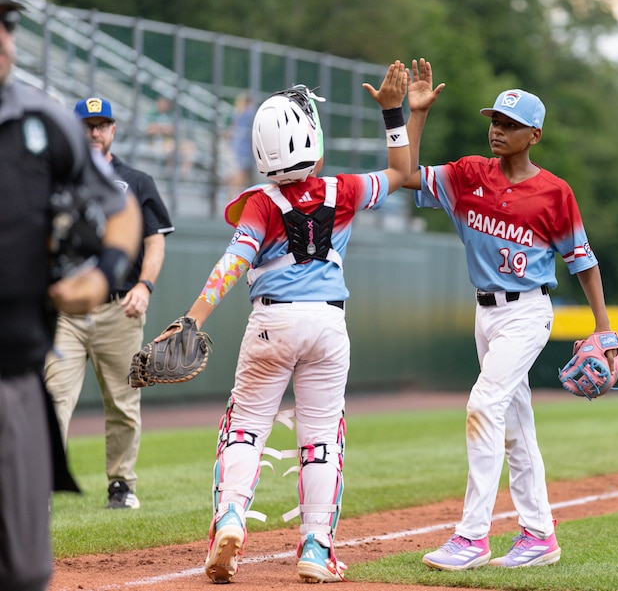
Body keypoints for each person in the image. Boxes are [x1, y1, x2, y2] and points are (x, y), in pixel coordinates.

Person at [154, 62, 409, 584]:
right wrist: (393, 112)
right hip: (328, 325)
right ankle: (316, 546)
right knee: (320, 438)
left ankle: (230, 518)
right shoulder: (345, 190)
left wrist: (191, 319)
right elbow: (404, 172)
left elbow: (232, 265)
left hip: (272, 323)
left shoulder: (259, 204)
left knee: (245, 427)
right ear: (311, 135)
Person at [404, 59, 617, 570]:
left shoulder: (555, 193)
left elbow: (584, 264)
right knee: (516, 427)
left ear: (534, 135)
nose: (497, 130)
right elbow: (406, 173)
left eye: (510, 124)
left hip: (527, 313)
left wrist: (604, 328)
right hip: (486, 316)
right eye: (495, 120)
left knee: (482, 406)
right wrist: (414, 116)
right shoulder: (467, 174)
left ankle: (472, 537)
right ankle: (540, 535)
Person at [0, 0, 142, 591]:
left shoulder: (43, 123)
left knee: (27, 567)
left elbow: (123, 208)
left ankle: (122, 483)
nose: (3, 37)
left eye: (7, 25)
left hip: (15, 364)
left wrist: (108, 273)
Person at [44, 97, 175, 510]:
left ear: (114, 130)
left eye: (102, 125)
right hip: (65, 310)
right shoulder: (54, 179)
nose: (95, 132)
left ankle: (121, 485)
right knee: (51, 396)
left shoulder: (135, 181)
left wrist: (145, 286)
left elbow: (154, 240)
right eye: (87, 125)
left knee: (122, 401)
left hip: (120, 307)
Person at [145, 96, 196, 176]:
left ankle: (184, 173)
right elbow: (150, 130)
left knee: (190, 145)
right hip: (157, 142)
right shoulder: (152, 114)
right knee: (171, 146)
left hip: (170, 140)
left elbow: (173, 130)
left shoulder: (170, 115)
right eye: (163, 103)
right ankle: (170, 172)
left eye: (166, 103)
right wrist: (164, 129)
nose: (165, 105)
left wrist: (160, 128)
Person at [225, 91, 257, 197]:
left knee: (242, 174)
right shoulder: (248, 113)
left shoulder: (241, 113)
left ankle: (233, 195)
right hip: (243, 148)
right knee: (241, 173)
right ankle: (233, 195)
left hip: (241, 147)